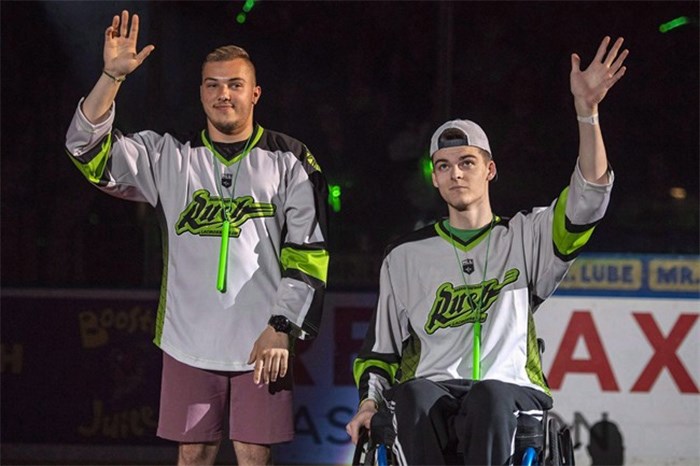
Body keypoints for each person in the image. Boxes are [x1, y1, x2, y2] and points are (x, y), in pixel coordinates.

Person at [346, 36, 628, 465]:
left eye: (467, 162)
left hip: (508, 391)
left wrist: (586, 112)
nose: (456, 173)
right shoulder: (403, 256)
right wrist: (368, 404)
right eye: (444, 165)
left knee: (489, 396)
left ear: (490, 169)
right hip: (433, 392)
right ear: (435, 179)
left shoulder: (525, 236)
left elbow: (589, 198)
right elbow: (380, 353)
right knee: (415, 393)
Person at [65, 10, 329, 466]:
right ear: (201, 93)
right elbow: (86, 151)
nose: (223, 93)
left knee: (254, 458)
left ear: (255, 94)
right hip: (189, 341)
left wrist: (282, 327)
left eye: (234, 84)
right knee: (193, 457)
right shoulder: (169, 155)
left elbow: (309, 255)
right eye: (212, 84)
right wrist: (111, 77)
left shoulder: (292, 160)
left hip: (262, 342)